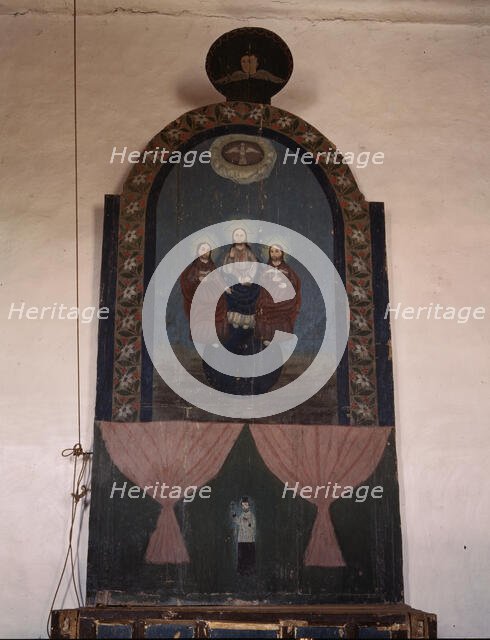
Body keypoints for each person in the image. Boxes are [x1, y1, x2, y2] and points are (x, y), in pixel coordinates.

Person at [180, 242, 227, 344]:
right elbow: (187, 279)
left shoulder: (212, 265)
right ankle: (200, 338)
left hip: (212, 294)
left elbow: (218, 279)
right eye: (202, 249)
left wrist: (224, 287)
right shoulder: (194, 266)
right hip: (199, 296)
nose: (205, 252)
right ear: (198, 251)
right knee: (200, 316)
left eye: (207, 250)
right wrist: (198, 278)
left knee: (214, 314)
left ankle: (213, 338)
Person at [256, 244, 301, 345]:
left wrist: (285, 285)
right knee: (265, 310)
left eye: (277, 251)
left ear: (282, 253)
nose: (274, 254)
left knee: (281, 316)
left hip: (283, 300)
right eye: (272, 251)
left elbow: (295, 284)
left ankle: (280, 338)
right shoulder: (266, 269)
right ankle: (267, 337)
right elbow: (261, 284)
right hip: (269, 298)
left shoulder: (287, 269)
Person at [222, 228, 260, 331]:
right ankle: (235, 319)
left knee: (252, 294)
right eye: (237, 235)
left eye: (241, 235)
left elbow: (255, 265)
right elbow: (226, 269)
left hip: (248, 280)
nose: (239, 237)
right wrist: (237, 275)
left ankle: (247, 320)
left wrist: (249, 276)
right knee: (233, 293)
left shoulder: (249, 252)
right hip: (235, 279)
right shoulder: (231, 252)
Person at [232, 497, 256, 575]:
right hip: (241, 539)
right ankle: (241, 571)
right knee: (242, 556)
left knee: (249, 556)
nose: (244, 507)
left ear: (249, 505)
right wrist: (234, 515)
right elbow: (238, 522)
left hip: (249, 540)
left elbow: (252, 525)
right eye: (243, 505)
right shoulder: (242, 515)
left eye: (245, 505)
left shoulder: (251, 515)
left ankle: (249, 571)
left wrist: (246, 522)